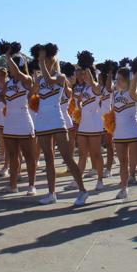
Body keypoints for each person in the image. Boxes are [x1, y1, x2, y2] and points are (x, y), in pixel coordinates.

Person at [31, 49, 87, 205]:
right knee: (48, 158)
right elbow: (32, 93)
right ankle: (51, 194)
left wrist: (41, 62)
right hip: (42, 120)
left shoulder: (60, 77)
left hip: (57, 120)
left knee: (67, 158)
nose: (43, 61)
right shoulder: (41, 79)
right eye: (42, 59)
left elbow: (49, 80)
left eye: (46, 59)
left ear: (52, 61)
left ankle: (82, 190)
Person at [110, 65, 137, 200]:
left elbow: (133, 88)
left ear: (127, 80)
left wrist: (134, 75)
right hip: (119, 133)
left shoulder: (135, 92)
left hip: (133, 130)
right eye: (116, 79)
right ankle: (123, 188)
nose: (117, 82)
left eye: (120, 79)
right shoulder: (115, 94)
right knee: (123, 162)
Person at [1, 50, 40, 195]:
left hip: (24, 120)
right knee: (12, 155)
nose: (10, 69)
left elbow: (17, 73)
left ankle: (31, 185)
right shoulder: (9, 82)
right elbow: (2, 94)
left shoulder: (27, 79)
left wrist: (8, 57)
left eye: (12, 66)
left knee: (29, 155)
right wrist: (9, 107)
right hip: (10, 120)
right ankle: (13, 185)